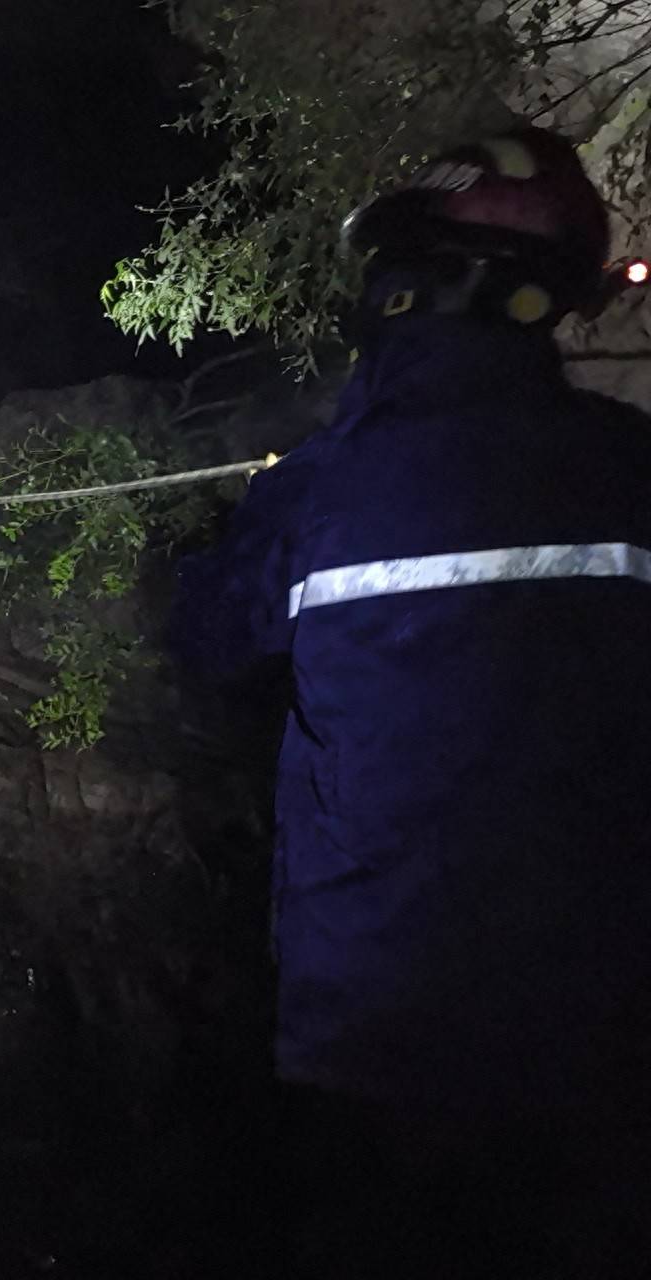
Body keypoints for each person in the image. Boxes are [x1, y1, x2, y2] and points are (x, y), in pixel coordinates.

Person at [175, 127, 651, 1275]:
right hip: (610, 1035)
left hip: (378, 1036)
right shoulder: (634, 469)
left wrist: (249, 518)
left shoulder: (320, 493)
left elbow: (210, 643)